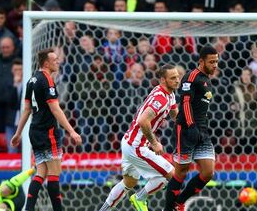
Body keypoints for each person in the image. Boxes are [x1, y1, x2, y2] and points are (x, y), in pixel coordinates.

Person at [99, 64, 180, 211]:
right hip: (137, 146)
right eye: (173, 78)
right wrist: (154, 142)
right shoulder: (161, 99)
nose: (177, 80)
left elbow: (175, 115)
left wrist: (191, 119)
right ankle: (139, 198)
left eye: (177, 77)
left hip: (128, 142)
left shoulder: (170, 94)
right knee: (171, 175)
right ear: (163, 80)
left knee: (128, 182)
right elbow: (143, 120)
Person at [10, 48, 82, 211]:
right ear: (46, 63)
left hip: (35, 132)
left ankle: (28, 209)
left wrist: (18, 133)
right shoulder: (47, 80)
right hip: (48, 132)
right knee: (54, 174)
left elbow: (27, 108)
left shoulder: (31, 80)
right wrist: (72, 131)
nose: (58, 61)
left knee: (41, 172)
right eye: (54, 59)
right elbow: (55, 109)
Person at [164, 46, 219, 211]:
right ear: (201, 61)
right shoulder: (191, 76)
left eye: (216, 61)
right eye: (211, 61)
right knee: (181, 172)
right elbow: (186, 102)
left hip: (202, 131)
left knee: (208, 172)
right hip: (187, 130)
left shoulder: (206, 79)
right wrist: (191, 125)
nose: (215, 65)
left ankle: (179, 202)